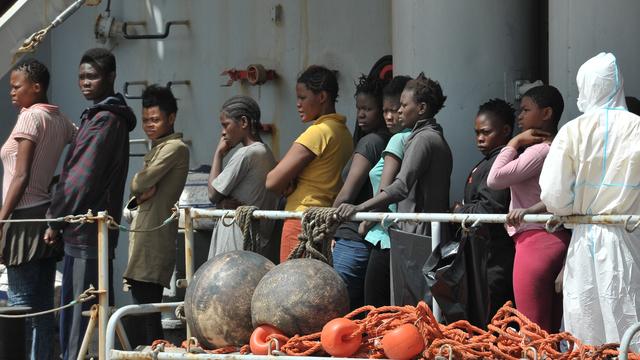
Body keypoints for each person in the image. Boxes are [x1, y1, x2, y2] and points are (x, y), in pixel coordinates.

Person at [540, 52, 640, 346]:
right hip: (630, 235)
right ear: (618, 84)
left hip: (584, 239)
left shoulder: (572, 131)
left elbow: (553, 195)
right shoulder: (638, 128)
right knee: (629, 318)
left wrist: (572, 212)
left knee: (584, 325)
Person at [45, 48, 136, 360]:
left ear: (110, 77)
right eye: (81, 77)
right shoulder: (99, 117)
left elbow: (80, 180)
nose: (85, 82)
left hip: (87, 234)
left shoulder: (105, 121)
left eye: (92, 76)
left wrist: (54, 220)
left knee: (76, 326)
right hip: (83, 232)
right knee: (79, 318)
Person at [0, 59, 76, 360]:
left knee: (20, 307)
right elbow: (80, 149)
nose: (12, 93)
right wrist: (59, 182)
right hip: (45, 217)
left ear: (37, 87)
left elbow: (21, 175)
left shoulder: (30, 117)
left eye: (16, 86)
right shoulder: (62, 120)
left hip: (22, 219)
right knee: (43, 310)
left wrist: (1, 220)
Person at [487, 85, 569, 333]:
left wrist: (513, 142)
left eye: (525, 109)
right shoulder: (559, 148)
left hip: (535, 243)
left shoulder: (539, 150)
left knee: (533, 330)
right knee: (552, 330)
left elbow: (495, 178)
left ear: (546, 113)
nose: (519, 116)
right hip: (557, 239)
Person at [122, 85, 189, 347]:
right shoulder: (159, 148)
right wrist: (139, 195)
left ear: (171, 118)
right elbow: (139, 195)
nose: (149, 125)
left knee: (146, 311)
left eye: (156, 119)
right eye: (146, 120)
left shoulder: (175, 148)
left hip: (154, 239)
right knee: (142, 310)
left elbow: (139, 184)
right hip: (144, 237)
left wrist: (139, 188)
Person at [266, 65, 353, 262]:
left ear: (322, 97)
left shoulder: (319, 132)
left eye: (302, 97)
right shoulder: (343, 133)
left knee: (291, 287)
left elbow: (272, 181)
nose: (298, 104)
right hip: (326, 223)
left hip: (301, 221)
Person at [452, 99, 514, 327]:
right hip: (482, 257)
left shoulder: (500, 162)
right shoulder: (489, 160)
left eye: (486, 132)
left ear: (506, 130)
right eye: (477, 132)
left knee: (494, 322)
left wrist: (460, 210)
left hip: (495, 258)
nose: (479, 138)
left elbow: (491, 207)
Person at [332, 74, 390, 309]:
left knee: (338, 307)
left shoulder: (371, 143)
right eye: (359, 108)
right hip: (370, 239)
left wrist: (329, 225)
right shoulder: (391, 141)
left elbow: (347, 194)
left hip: (351, 238)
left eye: (368, 108)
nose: (361, 115)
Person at [359, 75, 411, 307]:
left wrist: (363, 222)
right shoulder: (418, 138)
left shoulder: (399, 140)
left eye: (396, 109)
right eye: (385, 110)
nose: (390, 116)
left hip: (385, 236)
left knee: (375, 308)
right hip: (397, 236)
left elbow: (385, 192)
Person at [207, 95, 278, 258]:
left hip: (234, 240)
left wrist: (218, 155)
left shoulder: (246, 153)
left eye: (226, 125)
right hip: (253, 244)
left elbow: (212, 194)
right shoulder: (266, 152)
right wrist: (222, 203)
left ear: (244, 122)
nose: (223, 133)